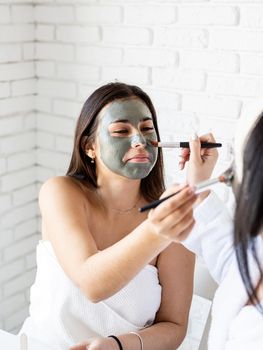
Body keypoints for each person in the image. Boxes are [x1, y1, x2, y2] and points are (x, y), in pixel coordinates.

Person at [19, 82, 218, 350]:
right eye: (121, 131)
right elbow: (92, 284)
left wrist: (118, 345)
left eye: (147, 129)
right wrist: (157, 229)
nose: (139, 140)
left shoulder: (168, 213)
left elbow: (174, 326)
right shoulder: (61, 192)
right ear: (90, 147)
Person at [178, 105, 263, 349]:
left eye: (238, 158)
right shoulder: (256, 250)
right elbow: (232, 259)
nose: (229, 174)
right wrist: (199, 184)